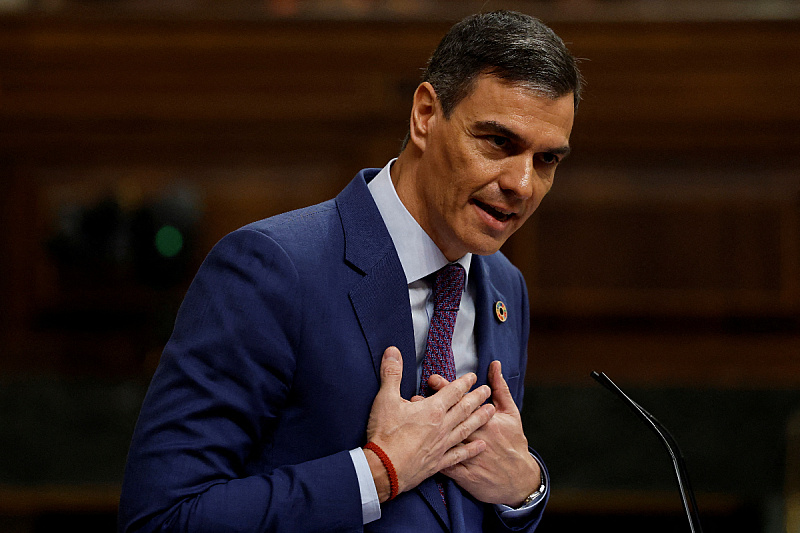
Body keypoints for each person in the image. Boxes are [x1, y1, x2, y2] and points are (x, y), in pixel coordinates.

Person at [118, 10, 581, 533]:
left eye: (547, 161)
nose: (522, 183)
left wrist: (525, 489)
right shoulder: (273, 268)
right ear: (426, 115)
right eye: (499, 142)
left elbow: (475, 496)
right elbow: (161, 519)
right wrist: (378, 473)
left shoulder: (503, 285)